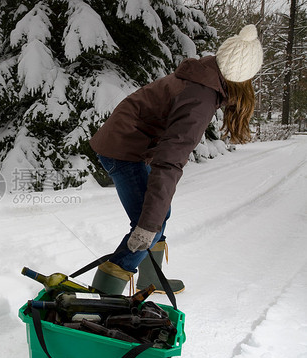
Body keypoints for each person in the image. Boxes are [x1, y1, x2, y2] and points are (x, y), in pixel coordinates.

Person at [89, 25, 263, 295]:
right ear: (242, 78)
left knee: (158, 216)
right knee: (148, 225)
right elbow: (169, 162)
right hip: (122, 150)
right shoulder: (201, 97)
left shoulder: (205, 77)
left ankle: (151, 280)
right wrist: (148, 226)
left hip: (129, 143)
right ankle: (102, 295)